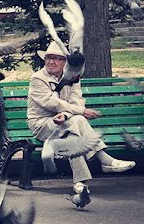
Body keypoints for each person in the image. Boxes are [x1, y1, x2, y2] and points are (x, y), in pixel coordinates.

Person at [28, 42, 134, 190]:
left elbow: (76, 100)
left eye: (57, 58)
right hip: (43, 124)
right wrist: (80, 111)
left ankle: (79, 184)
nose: (51, 62)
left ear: (65, 62)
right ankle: (105, 160)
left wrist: (65, 115)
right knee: (78, 119)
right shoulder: (38, 78)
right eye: (48, 58)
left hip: (66, 123)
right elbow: (51, 103)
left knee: (73, 137)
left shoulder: (73, 77)